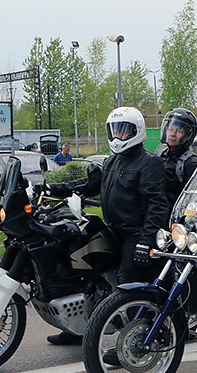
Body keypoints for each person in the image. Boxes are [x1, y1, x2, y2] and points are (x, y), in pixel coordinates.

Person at [44, 107, 170, 346]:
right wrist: (51, 189)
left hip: (135, 234)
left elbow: (157, 205)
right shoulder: (113, 161)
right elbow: (89, 185)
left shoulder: (149, 163)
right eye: (114, 131)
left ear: (137, 131)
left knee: (127, 283)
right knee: (82, 269)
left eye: (123, 131)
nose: (117, 137)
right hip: (113, 230)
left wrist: (146, 240)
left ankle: (137, 340)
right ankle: (76, 329)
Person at [155, 107, 197, 205]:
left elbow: (195, 197)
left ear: (188, 134)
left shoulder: (190, 162)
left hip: (175, 214)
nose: (172, 134)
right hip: (156, 210)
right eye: (170, 129)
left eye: (179, 131)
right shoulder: (160, 151)